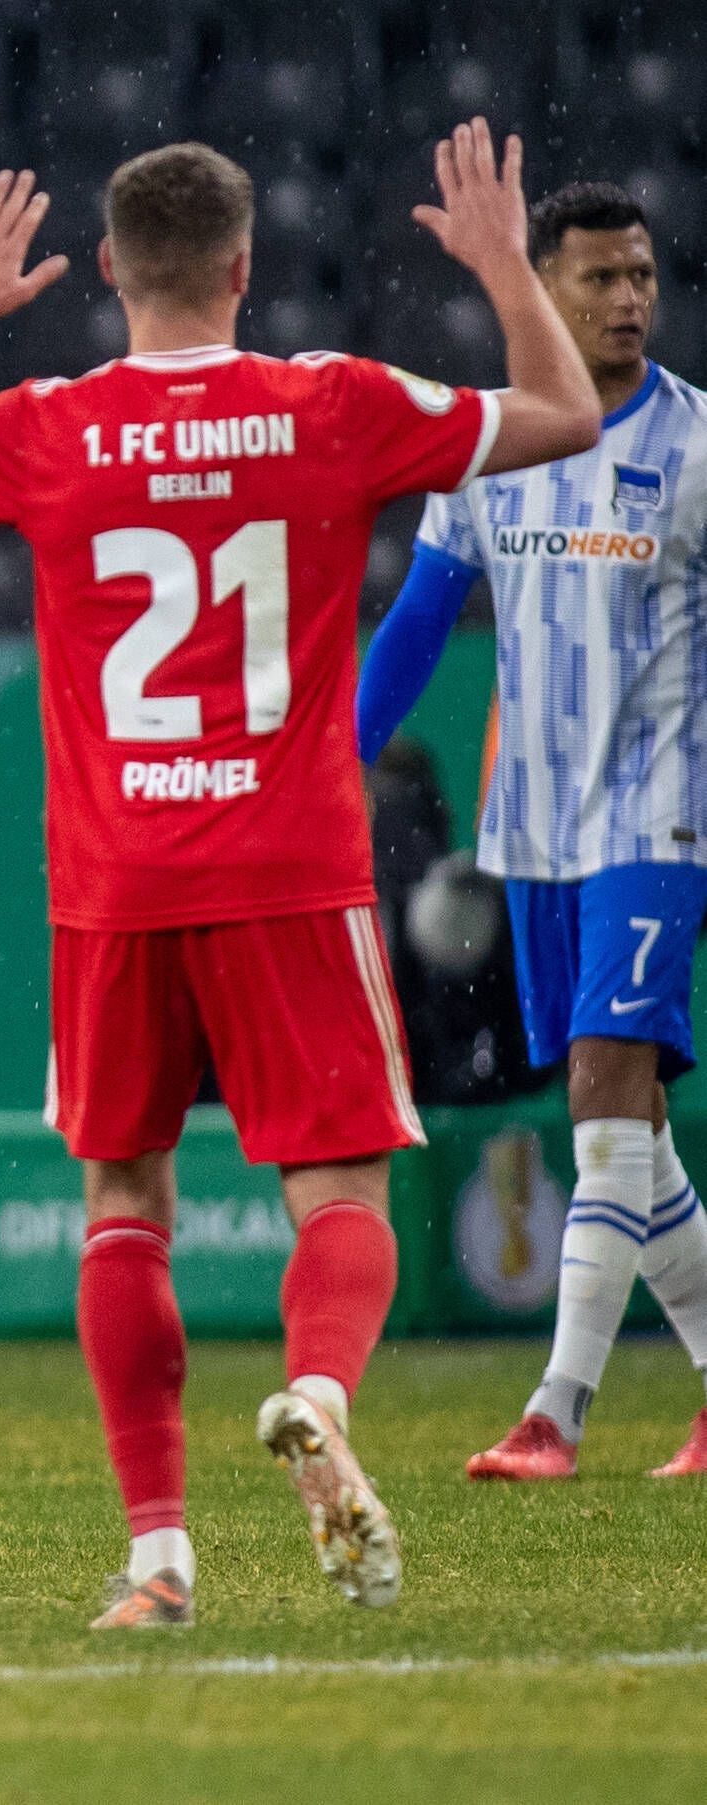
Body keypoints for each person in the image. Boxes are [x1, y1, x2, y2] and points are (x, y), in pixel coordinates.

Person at [0, 123, 601, 1627]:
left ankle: (157, 1560)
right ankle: (319, 1393)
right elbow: (567, 413)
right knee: (338, 1185)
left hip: (116, 880)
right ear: (245, 268)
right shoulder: (334, 405)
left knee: (125, 1197)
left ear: (111, 271)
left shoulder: (48, 426)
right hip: (291, 867)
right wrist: (503, 265)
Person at [354, 180, 707, 1481]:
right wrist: (336, 759)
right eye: (600, 277)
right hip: (538, 831)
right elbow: (418, 618)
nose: (628, 299)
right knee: (628, 1134)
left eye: (641, 275)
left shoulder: (696, 445)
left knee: (605, 1089)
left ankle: (555, 1410)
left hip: (660, 817)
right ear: (544, 286)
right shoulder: (491, 445)